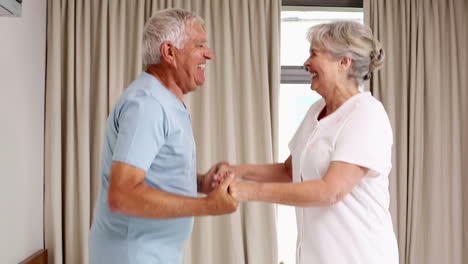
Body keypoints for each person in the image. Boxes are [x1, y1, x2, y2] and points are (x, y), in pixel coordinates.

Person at [217, 21, 399, 264]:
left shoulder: (367, 114)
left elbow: (330, 190)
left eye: (314, 54)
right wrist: (234, 172)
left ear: (344, 62)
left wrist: (245, 191)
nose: (306, 63)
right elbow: (289, 170)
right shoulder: (316, 111)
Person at [88, 8, 238, 264]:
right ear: (169, 52)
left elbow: (153, 174)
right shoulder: (147, 104)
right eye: (199, 44)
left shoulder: (165, 101)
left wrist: (201, 183)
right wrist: (208, 206)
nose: (209, 54)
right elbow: (122, 195)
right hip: (133, 256)